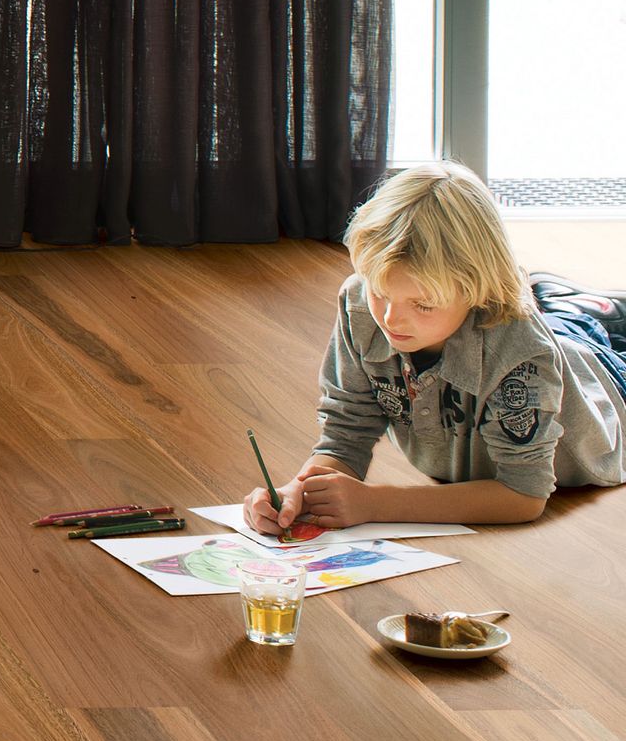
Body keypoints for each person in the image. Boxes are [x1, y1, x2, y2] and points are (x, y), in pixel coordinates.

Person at [246, 161, 626, 534]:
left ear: (477, 290)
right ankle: (557, 297)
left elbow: (523, 494)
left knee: (578, 331)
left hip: (604, 380)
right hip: (546, 341)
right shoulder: (362, 305)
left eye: (423, 304)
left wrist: (375, 503)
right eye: (380, 292)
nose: (391, 319)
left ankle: (575, 301)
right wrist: (301, 493)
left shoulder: (522, 351)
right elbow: (346, 433)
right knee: (564, 324)